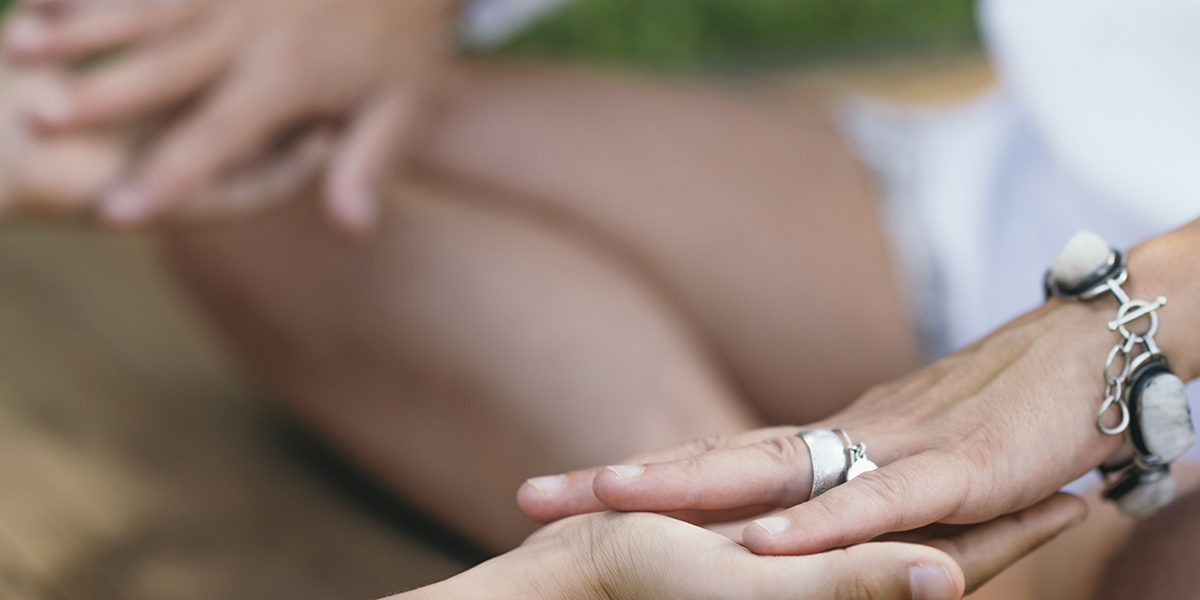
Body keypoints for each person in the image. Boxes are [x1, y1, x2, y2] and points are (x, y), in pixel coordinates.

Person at [2, 0, 1198, 575]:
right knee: (258, 168)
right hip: (1022, 205)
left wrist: (1131, 321)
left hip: (1147, 314)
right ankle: (754, 548)